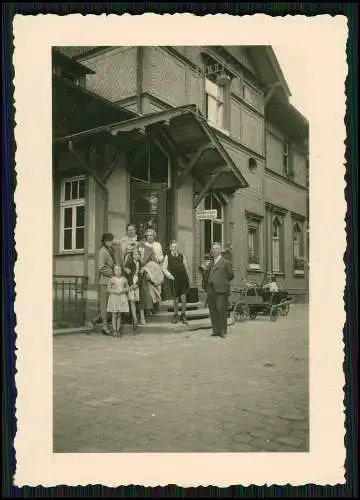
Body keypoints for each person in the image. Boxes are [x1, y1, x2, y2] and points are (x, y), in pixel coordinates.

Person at [203, 242, 234, 339]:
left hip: (221, 290)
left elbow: (231, 275)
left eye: (216, 248)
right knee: (213, 310)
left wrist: (221, 281)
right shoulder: (211, 263)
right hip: (211, 289)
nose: (214, 250)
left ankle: (223, 331)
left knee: (221, 310)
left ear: (220, 250)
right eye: (213, 249)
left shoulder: (225, 262)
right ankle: (216, 330)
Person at [92, 232, 116, 336]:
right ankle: (104, 326)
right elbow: (101, 267)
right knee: (104, 305)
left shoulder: (110, 250)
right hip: (105, 282)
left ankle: (97, 319)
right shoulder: (102, 252)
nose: (111, 242)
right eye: (110, 240)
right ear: (105, 241)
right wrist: (113, 273)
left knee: (109, 304)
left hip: (110, 281)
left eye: (112, 240)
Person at [138, 235, 164, 325]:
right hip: (135, 274)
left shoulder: (149, 249)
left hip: (146, 275)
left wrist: (148, 270)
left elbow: (154, 263)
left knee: (145, 293)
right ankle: (139, 315)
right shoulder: (135, 248)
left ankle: (144, 314)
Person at [163, 240, 190, 324]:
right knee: (175, 299)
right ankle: (175, 315)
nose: (175, 248)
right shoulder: (167, 256)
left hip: (183, 279)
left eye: (176, 247)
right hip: (174, 279)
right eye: (173, 247)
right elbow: (163, 268)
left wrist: (188, 278)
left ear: (178, 248)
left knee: (183, 298)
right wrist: (169, 276)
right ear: (170, 248)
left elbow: (186, 268)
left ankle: (183, 315)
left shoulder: (182, 256)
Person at [107, 265, 130, 337]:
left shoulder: (124, 279)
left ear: (121, 271)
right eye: (116, 270)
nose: (117, 272)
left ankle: (118, 330)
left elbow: (128, 288)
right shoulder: (112, 279)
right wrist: (114, 291)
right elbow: (108, 289)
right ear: (114, 271)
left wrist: (123, 290)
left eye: (119, 270)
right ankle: (114, 330)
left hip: (121, 298)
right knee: (114, 314)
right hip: (114, 298)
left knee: (119, 314)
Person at [125, 248, 141, 327]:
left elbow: (141, 275)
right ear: (132, 255)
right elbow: (128, 275)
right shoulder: (129, 263)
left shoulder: (140, 263)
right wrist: (131, 284)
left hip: (137, 284)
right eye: (135, 254)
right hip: (131, 284)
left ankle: (135, 316)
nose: (136, 256)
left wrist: (137, 284)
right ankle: (134, 318)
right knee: (132, 301)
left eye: (138, 254)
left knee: (136, 300)